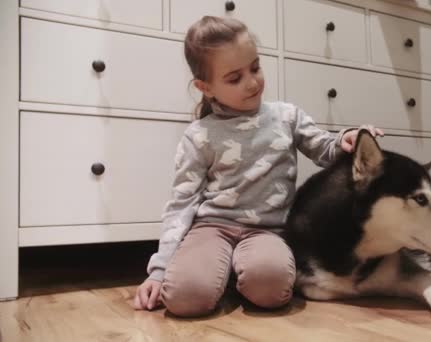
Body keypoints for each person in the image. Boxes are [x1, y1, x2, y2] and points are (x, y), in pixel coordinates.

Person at [133, 16, 383, 317]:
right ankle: (217, 269)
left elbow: (325, 151)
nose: (253, 82)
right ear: (205, 87)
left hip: (267, 231)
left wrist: (348, 139)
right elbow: (181, 204)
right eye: (234, 78)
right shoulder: (199, 135)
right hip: (211, 228)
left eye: (255, 67)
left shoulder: (287, 117)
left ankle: (236, 272)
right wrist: (159, 270)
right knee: (184, 299)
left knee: (272, 290)